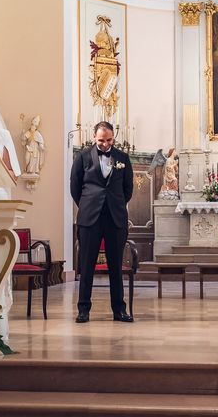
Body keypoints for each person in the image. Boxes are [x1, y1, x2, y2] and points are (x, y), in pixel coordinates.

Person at [70, 121, 134, 324]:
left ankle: (119, 310)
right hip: (90, 218)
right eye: (101, 141)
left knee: (116, 266)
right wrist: (88, 204)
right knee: (86, 265)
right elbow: (75, 186)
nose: (106, 144)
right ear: (93, 138)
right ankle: (83, 310)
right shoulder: (82, 157)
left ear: (113, 138)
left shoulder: (123, 158)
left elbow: (128, 189)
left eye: (109, 140)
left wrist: (115, 203)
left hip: (115, 217)